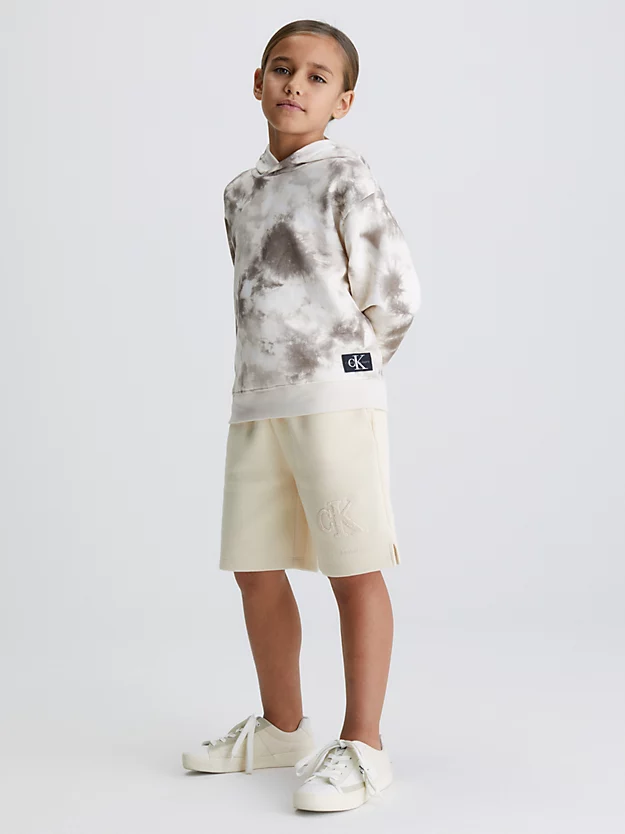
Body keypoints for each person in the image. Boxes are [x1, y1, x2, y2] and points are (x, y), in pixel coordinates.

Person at [181, 18, 421, 813]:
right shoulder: (239, 192)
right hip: (256, 403)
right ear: (257, 83)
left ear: (342, 101)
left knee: (352, 564)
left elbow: (395, 296)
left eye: (318, 77)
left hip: (332, 402)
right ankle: (283, 727)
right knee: (255, 567)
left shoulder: (346, 179)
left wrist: (347, 372)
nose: (295, 84)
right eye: (282, 69)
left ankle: (364, 744)